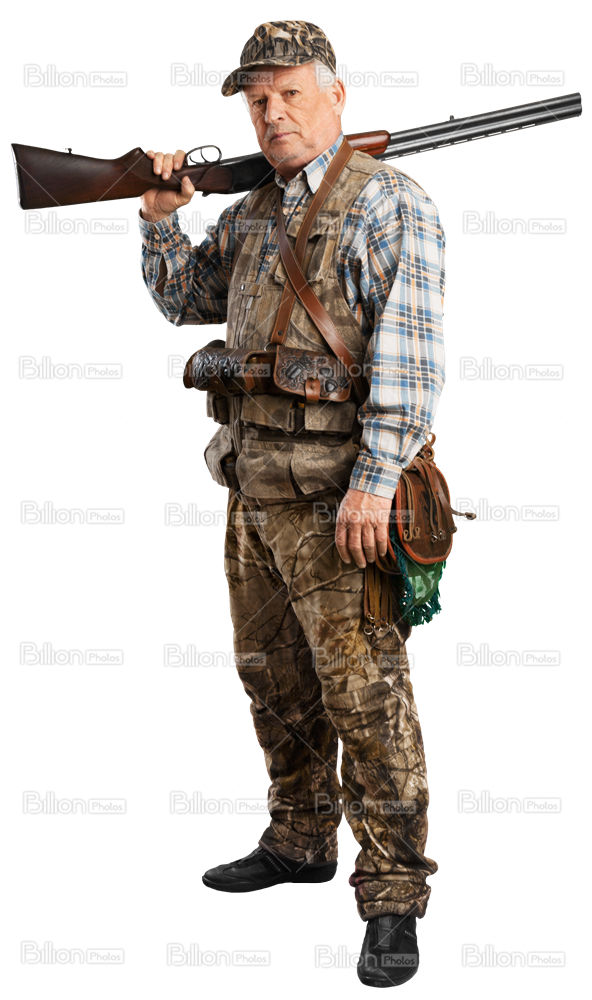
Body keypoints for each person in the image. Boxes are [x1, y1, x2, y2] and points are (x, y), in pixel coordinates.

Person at [138, 19, 445, 988]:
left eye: (290, 95)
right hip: (250, 490)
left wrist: (375, 481)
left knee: (366, 700)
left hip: (338, 498)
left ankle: (393, 896)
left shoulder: (388, 203)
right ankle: (301, 839)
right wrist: (159, 216)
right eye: (257, 100)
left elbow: (410, 359)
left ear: (337, 95)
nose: (272, 113)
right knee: (272, 681)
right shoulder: (251, 210)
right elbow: (189, 303)